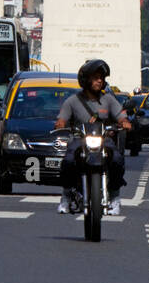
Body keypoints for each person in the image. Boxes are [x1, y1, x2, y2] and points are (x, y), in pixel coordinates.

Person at [55, 59, 130, 217]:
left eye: (101, 78)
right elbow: (62, 118)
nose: (99, 81)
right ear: (85, 79)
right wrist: (61, 123)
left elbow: (121, 116)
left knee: (117, 159)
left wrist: (124, 122)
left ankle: (115, 196)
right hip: (79, 140)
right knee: (68, 161)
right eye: (95, 77)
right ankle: (66, 196)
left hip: (104, 140)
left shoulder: (109, 99)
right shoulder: (72, 101)